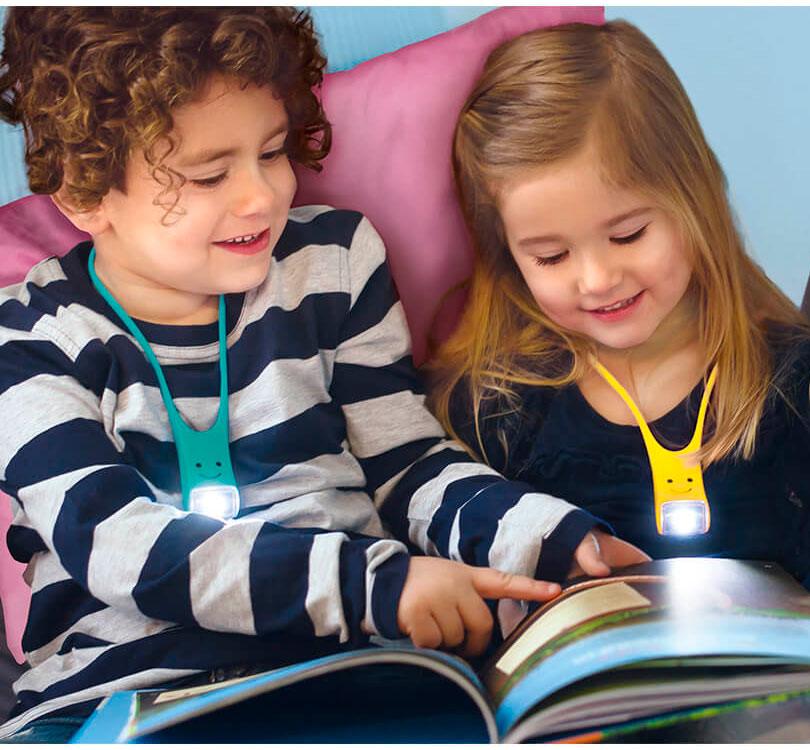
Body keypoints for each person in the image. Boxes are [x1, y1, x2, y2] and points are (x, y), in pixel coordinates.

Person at [0, 8, 647, 742]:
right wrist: (378, 587)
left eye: (272, 153)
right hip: (126, 699)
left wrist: (551, 538)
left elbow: (409, 468)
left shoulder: (333, 263)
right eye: (210, 174)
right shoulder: (25, 338)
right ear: (84, 193)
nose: (262, 196)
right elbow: (116, 545)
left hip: (349, 677)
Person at [429, 20, 810, 589]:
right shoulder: (495, 409)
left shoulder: (791, 379)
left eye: (629, 234)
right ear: (509, 257)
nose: (598, 279)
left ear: (694, 200)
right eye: (552, 257)